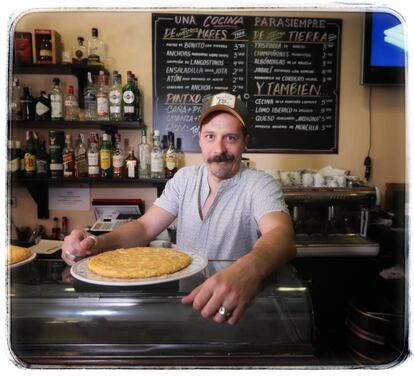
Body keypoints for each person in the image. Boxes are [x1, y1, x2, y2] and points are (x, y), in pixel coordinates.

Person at [62, 92, 296, 325]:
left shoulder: (259, 184)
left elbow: (282, 236)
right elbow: (144, 227)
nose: (219, 148)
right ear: (200, 139)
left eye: (231, 138)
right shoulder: (184, 178)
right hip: (186, 306)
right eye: (210, 136)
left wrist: (248, 270)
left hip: (238, 311)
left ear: (245, 141)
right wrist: (96, 244)